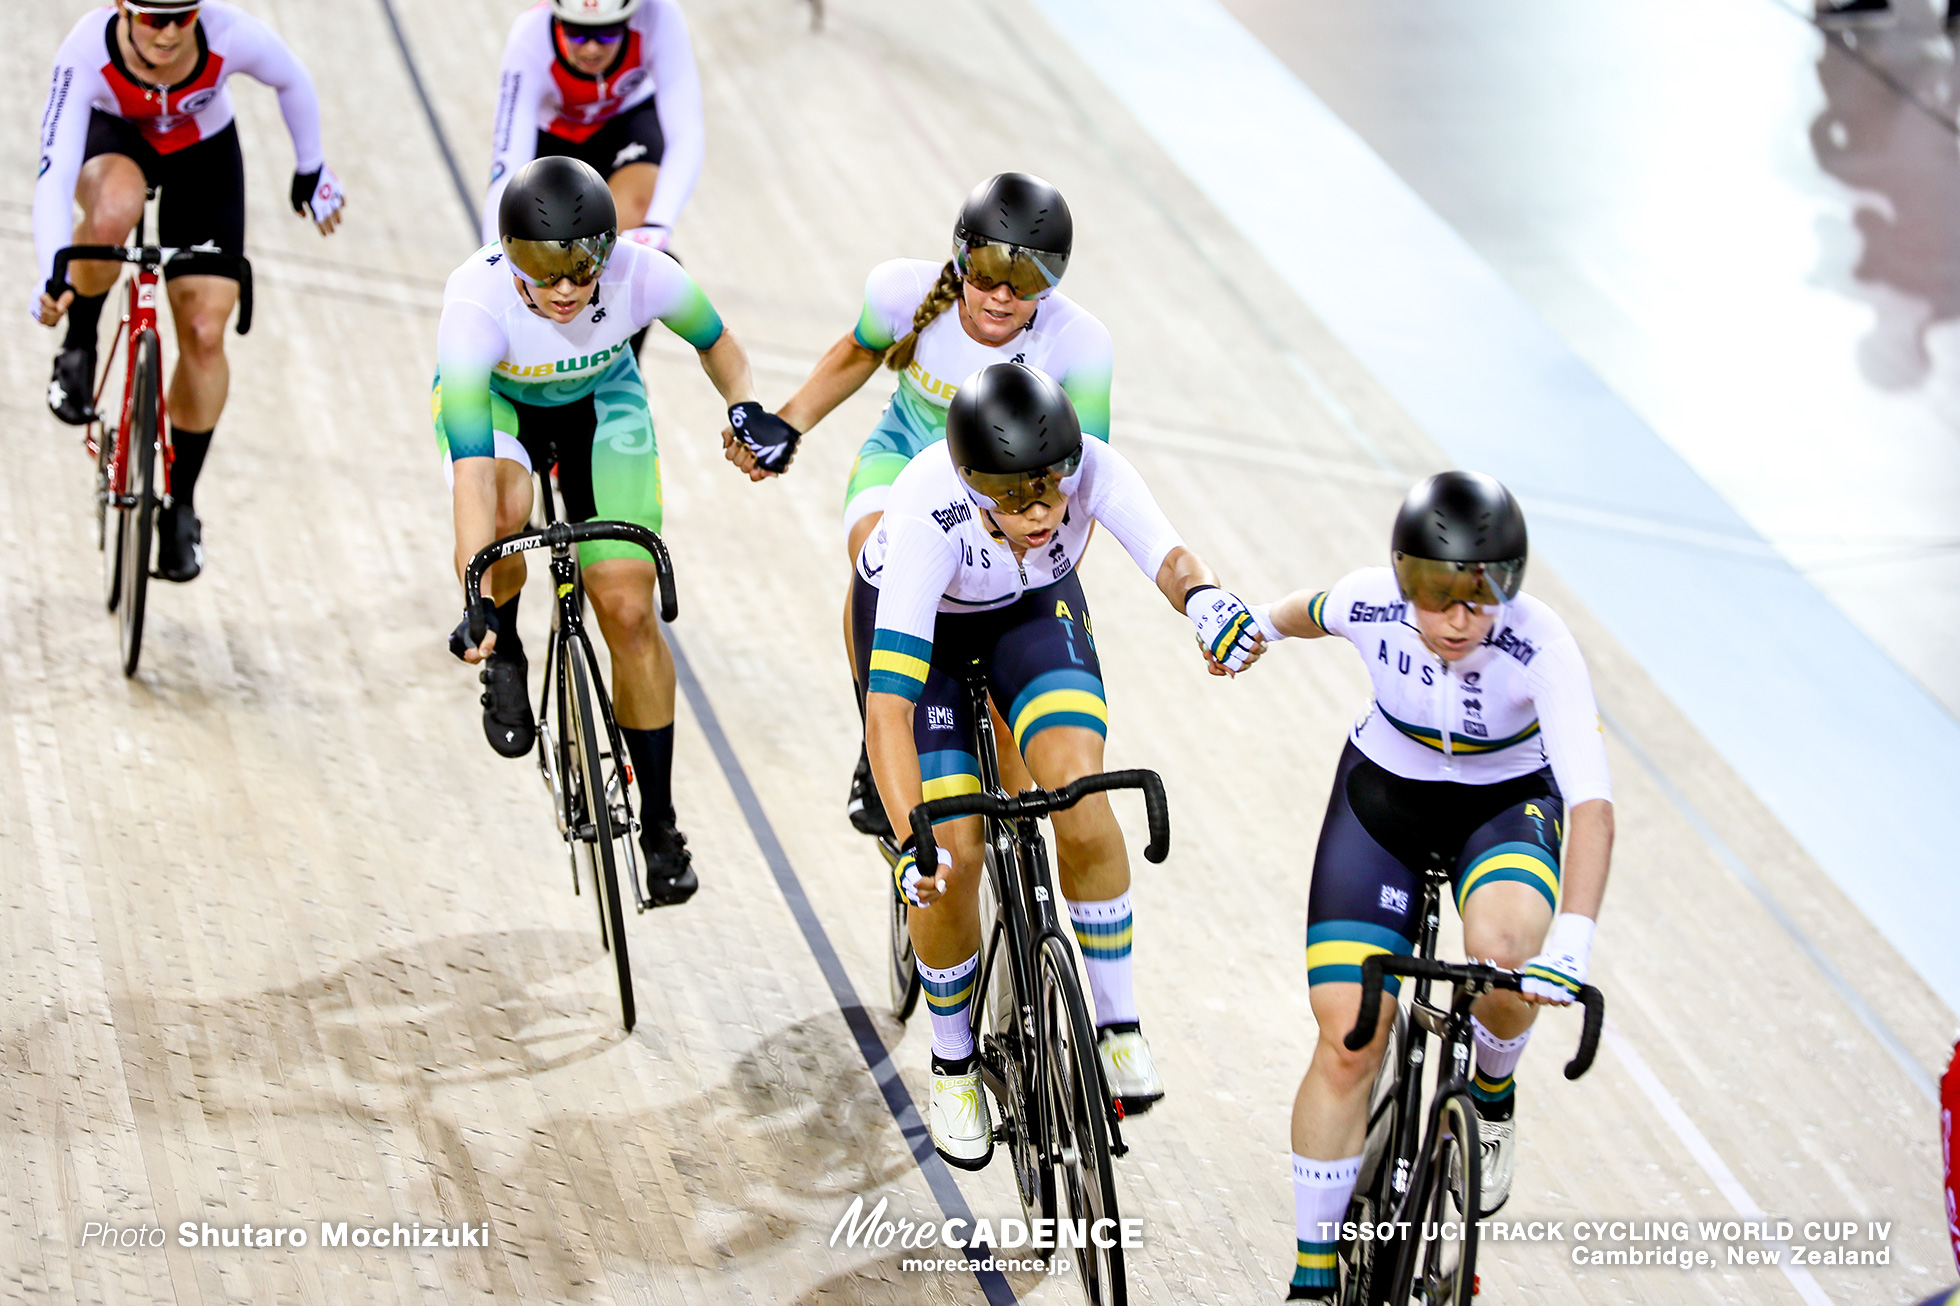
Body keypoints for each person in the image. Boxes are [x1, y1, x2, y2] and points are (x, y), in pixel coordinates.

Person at [857, 361, 1262, 1168]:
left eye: (1051, 489)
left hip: (1030, 614)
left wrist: (1209, 601)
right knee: (954, 851)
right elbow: (888, 713)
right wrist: (914, 843)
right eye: (1014, 499)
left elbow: (1170, 556)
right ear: (974, 489)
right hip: (925, 641)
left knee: (1081, 792)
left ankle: (1117, 1027)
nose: (1042, 512)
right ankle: (953, 1064)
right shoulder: (929, 518)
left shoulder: (1091, 470)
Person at [1247, 471, 1613, 1300]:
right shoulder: (1373, 601)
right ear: (1405, 578)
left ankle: (1490, 1086)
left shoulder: (1543, 645)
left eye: (1478, 598)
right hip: (1386, 800)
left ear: (1510, 588)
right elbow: (1312, 607)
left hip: (1506, 805)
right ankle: (1312, 1273)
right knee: (1348, 1039)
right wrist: (1256, 628)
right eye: (1434, 595)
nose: (1455, 620)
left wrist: (1573, 944)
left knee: (1504, 956)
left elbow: (1592, 807)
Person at [436, 155, 797, 905]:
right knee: (506, 509)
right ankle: (505, 646)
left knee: (629, 612)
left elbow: (719, 344)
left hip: (602, 403)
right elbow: (471, 473)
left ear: (609, 251)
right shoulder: (473, 305)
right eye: (545, 271)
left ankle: (660, 822)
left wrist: (742, 405)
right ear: (510, 256)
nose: (567, 290)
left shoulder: (644, 272)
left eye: (583, 269)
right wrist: (473, 590)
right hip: (500, 408)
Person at [726, 172, 1112, 842]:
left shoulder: (1080, 344)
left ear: (1054, 284)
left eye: (1028, 282)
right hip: (903, 460)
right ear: (961, 258)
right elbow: (856, 354)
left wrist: (1040, 564)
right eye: (988, 271)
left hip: (1012, 489)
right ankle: (881, 743)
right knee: (878, 567)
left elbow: (1085, 481)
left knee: (1008, 669)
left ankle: (1013, 846)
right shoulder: (902, 293)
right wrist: (788, 423)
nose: (1001, 295)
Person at [33, 0, 347, 582]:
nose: (170, 30)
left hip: (201, 154)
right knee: (112, 214)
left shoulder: (228, 33)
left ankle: (181, 504)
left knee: (204, 332)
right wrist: (52, 274)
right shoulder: (86, 51)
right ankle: (79, 346)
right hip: (117, 140)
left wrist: (312, 167)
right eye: (154, 18)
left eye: (182, 15)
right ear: (124, 13)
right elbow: (54, 175)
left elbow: (291, 77)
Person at [482, 0, 702, 257]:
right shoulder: (529, 36)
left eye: (607, 32)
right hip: (555, 138)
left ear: (629, 20)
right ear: (558, 20)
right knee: (555, 253)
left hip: (625, 122)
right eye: (577, 32)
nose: (591, 49)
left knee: (631, 218)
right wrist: (495, 256)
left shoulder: (659, 12)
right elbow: (506, 166)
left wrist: (658, 224)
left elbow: (687, 132)